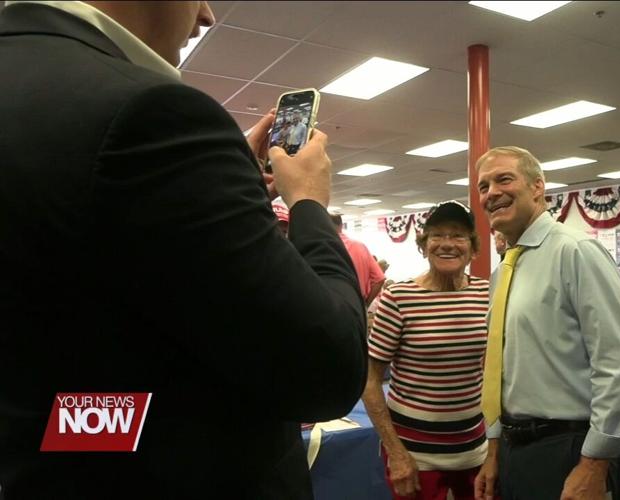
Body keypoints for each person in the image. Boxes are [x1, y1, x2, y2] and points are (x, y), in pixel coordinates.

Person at [0, 2, 367, 498]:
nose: (207, 15)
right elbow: (324, 371)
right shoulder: (150, 111)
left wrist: (217, 187)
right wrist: (309, 206)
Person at [473, 146, 620, 500]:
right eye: (483, 186)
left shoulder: (576, 251)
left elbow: (618, 363)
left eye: (504, 179)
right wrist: (493, 452)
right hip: (513, 449)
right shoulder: (503, 270)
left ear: (537, 187)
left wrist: (595, 464)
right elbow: (501, 371)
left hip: (568, 450)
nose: (492, 193)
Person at [363, 201, 489, 500]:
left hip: (474, 446)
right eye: (437, 235)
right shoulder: (399, 297)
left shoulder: (486, 293)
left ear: (473, 247)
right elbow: (369, 379)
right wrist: (396, 452)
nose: (447, 244)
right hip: (414, 452)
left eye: (458, 236)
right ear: (424, 244)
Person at [331, 214, 386, 305]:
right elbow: (380, 279)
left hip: (332, 304)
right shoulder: (360, 246)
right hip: (357, 304)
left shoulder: (322, 247)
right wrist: (365, 304)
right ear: (341, 225)